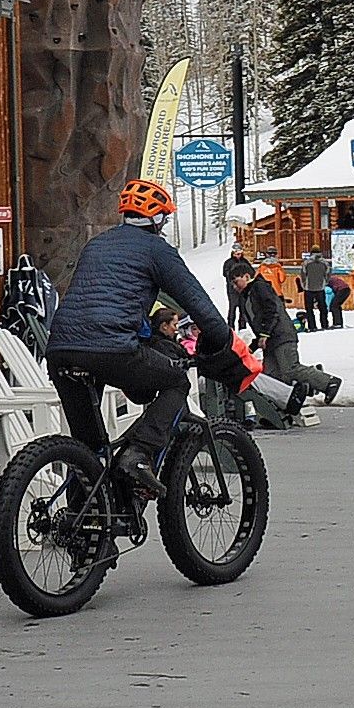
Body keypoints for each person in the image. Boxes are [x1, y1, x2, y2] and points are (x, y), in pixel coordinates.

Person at [47, 179, 255, 496]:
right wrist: (213, 346)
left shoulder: (96, 245)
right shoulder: (157, 250)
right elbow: (203, 311)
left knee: (88, 448)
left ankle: (84, 529)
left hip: (61, 349)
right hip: (112, 348)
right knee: (176, 381)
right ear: (158, 219)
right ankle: (139, 455)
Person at [230, 266, 342, 411]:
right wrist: (253, 345)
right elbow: (259, 321)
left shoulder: (259, 287)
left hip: (281, 336)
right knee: (271, 376)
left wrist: (265, 334)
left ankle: (328, 382)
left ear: (246, 276)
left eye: (235, 281)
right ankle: (281, 407)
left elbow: (272, 311)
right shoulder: (247, 295)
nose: (234, 286)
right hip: (270, 340)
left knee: (289, 368)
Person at [300, 251, 331, 332]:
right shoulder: (325, 263)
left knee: (309, 309)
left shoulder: (306, 263)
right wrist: (325, 283)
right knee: (323, 308)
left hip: (308, 288)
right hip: (320, 288)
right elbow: (327, 275)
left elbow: (303, 275)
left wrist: (304, 285)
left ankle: (312, 326)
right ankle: (324, 324)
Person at [222, 242, 249, 331]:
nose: (238, 255)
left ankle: (242, 329)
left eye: (240, 254)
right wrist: (234, 281)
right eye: (236, 254)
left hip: (243, 290)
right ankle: (230, 328)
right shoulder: (228, 263)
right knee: (232, 309)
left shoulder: (245, 262)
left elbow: (250, 272)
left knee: (243, 310)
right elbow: (226, 274)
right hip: (233, 290)